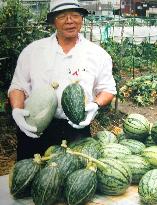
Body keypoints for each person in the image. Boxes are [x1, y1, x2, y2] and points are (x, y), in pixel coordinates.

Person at [8, 0, 116, 161]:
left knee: (74, 182)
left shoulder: (97, 54)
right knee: (29, 176)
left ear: (82, 19)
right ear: (53, 21)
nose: (70, 21)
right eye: (62, 16)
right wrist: (16, 110)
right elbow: (18, 86)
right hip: (35, 125)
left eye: (75, 15)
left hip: (76, 129)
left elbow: (108, 89)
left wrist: (96, 105)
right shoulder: (33, 51)